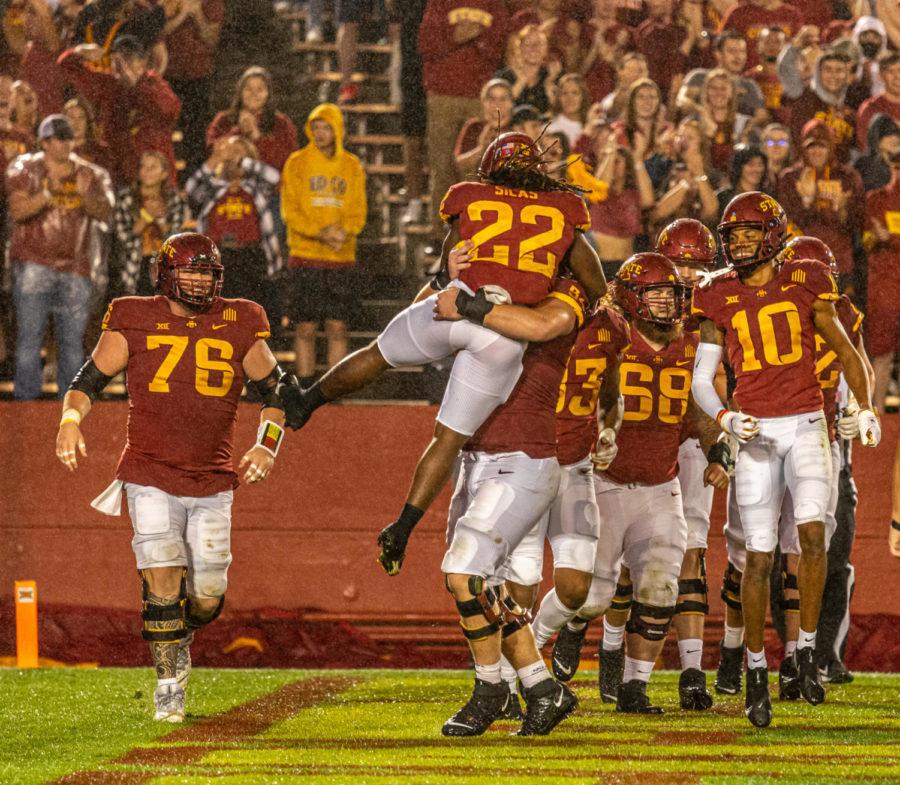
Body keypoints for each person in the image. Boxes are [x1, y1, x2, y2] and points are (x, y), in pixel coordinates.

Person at [278, 133, 606, 577]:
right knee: (447, 439)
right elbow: (598, 289)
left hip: (454, 302)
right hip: (502, 329)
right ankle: (403, 527)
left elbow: (443, 272)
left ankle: (306, 401)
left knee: (377, 353)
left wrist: (443, 281)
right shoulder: (562, 215)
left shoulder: (470, 199)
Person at [54, 232, 289, 723]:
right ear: (165, 273)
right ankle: (168, 685)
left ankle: (182, 630)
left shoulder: (241, 318)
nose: (200, 281)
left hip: (213, 479)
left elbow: (277, 392)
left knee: (206, 597)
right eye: (190, 271)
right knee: (160, 568)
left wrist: (266, 446)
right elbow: (87, 381)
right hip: (149, 471)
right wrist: (70, 422)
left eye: (207, 272)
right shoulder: (132, 314)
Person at [690, 191, 880, 728]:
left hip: (805, 423)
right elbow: (702, 380)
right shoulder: (716, 292)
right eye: (734, 235)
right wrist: (725, 419)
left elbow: (846, 353)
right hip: (754, 430)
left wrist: (864, 407)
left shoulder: (806, 281)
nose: (740, 243)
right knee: (760, 556)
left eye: (751, 233)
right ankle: (754, 669)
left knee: (815, 536)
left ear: (773, 235)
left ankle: (804, 652)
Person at [548, 253, 731, 712]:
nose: (668, 304)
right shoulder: (608, 337)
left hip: (661, 484)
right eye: (656, 294)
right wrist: (594, 435)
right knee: (594, 597)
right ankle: (555, 634)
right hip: (605, 482)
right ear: (632, 297)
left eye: (671, 295)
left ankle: (634, 687)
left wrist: (716, 451)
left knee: (660, 590)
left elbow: (696, 407)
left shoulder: (691, 344)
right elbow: (576, 395)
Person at [432, 263, 593, 737]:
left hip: (524, 456)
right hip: (479, 454)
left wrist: (466, 302)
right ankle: (542, 688)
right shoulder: (487, 285)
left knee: (465, 573)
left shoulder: (560, 298)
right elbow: (424, 317)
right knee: (487, 585)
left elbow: (538, 324)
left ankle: (490, 689)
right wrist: (450, 273)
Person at [8, 113, 114, 400]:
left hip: (75, 267)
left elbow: (106, 213)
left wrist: (83, 197)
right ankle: (25, 405)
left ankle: (70, 407)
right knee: (29, 340)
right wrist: (47, 193)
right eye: (60, 138)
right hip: (33, 263)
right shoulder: (25, 168)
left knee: (72, 344)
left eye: (69, 137)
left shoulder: (90, 174)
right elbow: (18, 211)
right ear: (45, 141)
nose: (67, 143)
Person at [281, 103, 366, 385]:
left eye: (326, 127)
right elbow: (290, 211)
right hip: (304, 257)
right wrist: (320, 232)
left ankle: (333, 389)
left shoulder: (351, 165)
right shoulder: (296, 162)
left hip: (341, 258)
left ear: (337, 129)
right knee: (304, 328)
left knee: (337, 327)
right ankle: (305, 388)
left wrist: (345, 231)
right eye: (315, 127)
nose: (320, 133)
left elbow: (358, 211)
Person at [418, 0, 509, 250]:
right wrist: (456, 36)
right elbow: (426, 45)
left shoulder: (494, 5)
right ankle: (440, 235)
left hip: (482, 97)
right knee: (442, 166)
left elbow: (500, 47)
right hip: (442, 94)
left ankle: (475, 232)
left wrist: (477, 37)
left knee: (479, 167)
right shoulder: (440, 4)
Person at [57, 33, 181, 185]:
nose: (121, 65)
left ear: (143, 63)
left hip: (155, 179)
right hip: (120, 176)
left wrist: (136, 85)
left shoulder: (157, 86)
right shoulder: (109, 84)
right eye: (116, 60)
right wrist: (79, 51)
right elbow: (66, 66)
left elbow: (169, 111)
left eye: (128, 59)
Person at [186, 135, 282, 315]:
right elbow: (191, 189)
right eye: (228, 150)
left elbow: (274, 178)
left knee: (248, 316)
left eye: (238, 151)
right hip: (217, 258)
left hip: (250, 257)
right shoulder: (213, 187)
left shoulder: (256, 187)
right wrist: (215, 160)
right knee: (218, 316)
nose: (231, 155)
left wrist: (243, 161)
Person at [777, 119, 865, 295]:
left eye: (822, 146)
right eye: (811, 146)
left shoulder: (847, 177)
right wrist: (807, 202)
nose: (816, 151)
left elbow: (858, 222)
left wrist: (842, 210)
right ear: (803, 147)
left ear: (831, 147)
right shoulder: (790, 178)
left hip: (840, 262)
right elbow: (785, 223)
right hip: (801, 262)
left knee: (840, 317)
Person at [162, 0, 224, 179]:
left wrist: (197, 15)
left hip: (199, 75)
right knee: (168, 136)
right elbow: (157, 31)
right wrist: (182, 14)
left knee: (197, 136)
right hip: (167, 75)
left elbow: (212, 38)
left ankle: (197, 185)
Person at [115, 150, 188, 296]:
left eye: (153, 167)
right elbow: (123, 239)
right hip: (135, 268)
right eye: (143, 167)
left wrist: (159, 219)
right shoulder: (126, 199)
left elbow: (176, 240)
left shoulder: (174, 200)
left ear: (164, 174)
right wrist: (148, 216)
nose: (146, 171)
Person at [207, 66, 299, 175]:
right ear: (240, 92)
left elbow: (287, 161)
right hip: (229, 185)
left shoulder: (281, 122)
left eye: (260, 89)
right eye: (248, 89)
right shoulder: (223, 119)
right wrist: (239, 130)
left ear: (268, 94)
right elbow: (214, 155)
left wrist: (257, 136)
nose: (253, 94)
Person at [863, 148, 900, 412]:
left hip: (887, 279)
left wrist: (891, 239)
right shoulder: (875, 199)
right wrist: (875, 238)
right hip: (885, 285)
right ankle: (876, 414)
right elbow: (865, 241)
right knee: (882, 352)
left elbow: (886, 237)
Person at [779, 48, 856, 164]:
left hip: (837, 176)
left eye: (839, 70)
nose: (833, 76)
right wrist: (796, 45)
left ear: (847, 75)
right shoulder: (803, 95)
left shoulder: (851, 106)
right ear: (818, 73)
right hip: (804, 172)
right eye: (828, 70)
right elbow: (785, 70)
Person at [677, 29, 765, 120]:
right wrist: (703, 112)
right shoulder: (699, 76)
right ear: (718, 54)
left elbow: (762, 115)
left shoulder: (749, 86)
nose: (738, 57)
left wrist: (745, 131)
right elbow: (682, 100)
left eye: (742, 51)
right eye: (732, 51)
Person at [546, 73, 589, 148]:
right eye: (565, 93)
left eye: (575, 93)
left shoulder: (590, 126)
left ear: (583, 97)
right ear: (559, 98)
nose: (569, 98)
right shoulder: (550, 129)